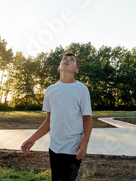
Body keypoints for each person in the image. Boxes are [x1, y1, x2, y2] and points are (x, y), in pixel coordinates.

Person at [21, 52, 93, 181]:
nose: (67, 60)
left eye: (71, 60)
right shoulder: (50, 90)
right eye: (64, 59)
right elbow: (49, 121)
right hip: (54, 147)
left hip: (73, 148)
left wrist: (85, 142)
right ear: (59, 67)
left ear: (76, 70)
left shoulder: (81, 89)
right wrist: (32, 139)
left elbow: (87, 119)